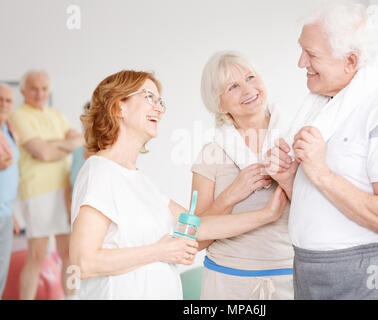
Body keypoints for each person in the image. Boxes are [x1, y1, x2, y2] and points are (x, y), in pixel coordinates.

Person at [69, 70, 287, 300]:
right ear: (118, 107)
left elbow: (199, 228)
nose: (159, 109)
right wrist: (158, 251)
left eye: (160, 102)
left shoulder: (142, 183)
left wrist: (267, 214)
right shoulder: (100, 171)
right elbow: (84, 262)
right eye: (149, 97)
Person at [265, 3, 378, 300]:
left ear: (350, 61)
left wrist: (320, 172)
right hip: (308, 270)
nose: (301, 63)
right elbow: (321, 205)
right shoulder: (321, 109)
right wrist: (289, 179)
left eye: (311, 54)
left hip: (362, 275)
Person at [191, 51, 294, 300]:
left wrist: (286, 178)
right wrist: (231, 195)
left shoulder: (294, 139)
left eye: (251, 77)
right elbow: (195, 240)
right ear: (219, 103)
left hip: (290, 279)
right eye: (233, 86)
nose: (248, 90)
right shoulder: (211, 153)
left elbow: (320, 216)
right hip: (227, 284)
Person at [9, 70, 84, 300]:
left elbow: (80, 139)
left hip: (64, 191)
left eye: (43, 88)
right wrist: (61, 145)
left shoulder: (57, 114)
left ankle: (71, 298)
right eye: (34, 88)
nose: (39, 93)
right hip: (37, 192)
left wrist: (53, 145)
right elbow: (42, 153)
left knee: (68, 253)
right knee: (38, 255)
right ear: (23, 91)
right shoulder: (18, 116)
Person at [0, 84, 21, 298]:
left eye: (8, 100)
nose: (4, 104)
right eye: (0, 99)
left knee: (1, 274)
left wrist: (12, 213)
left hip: (5, 213)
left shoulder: (10, 131)